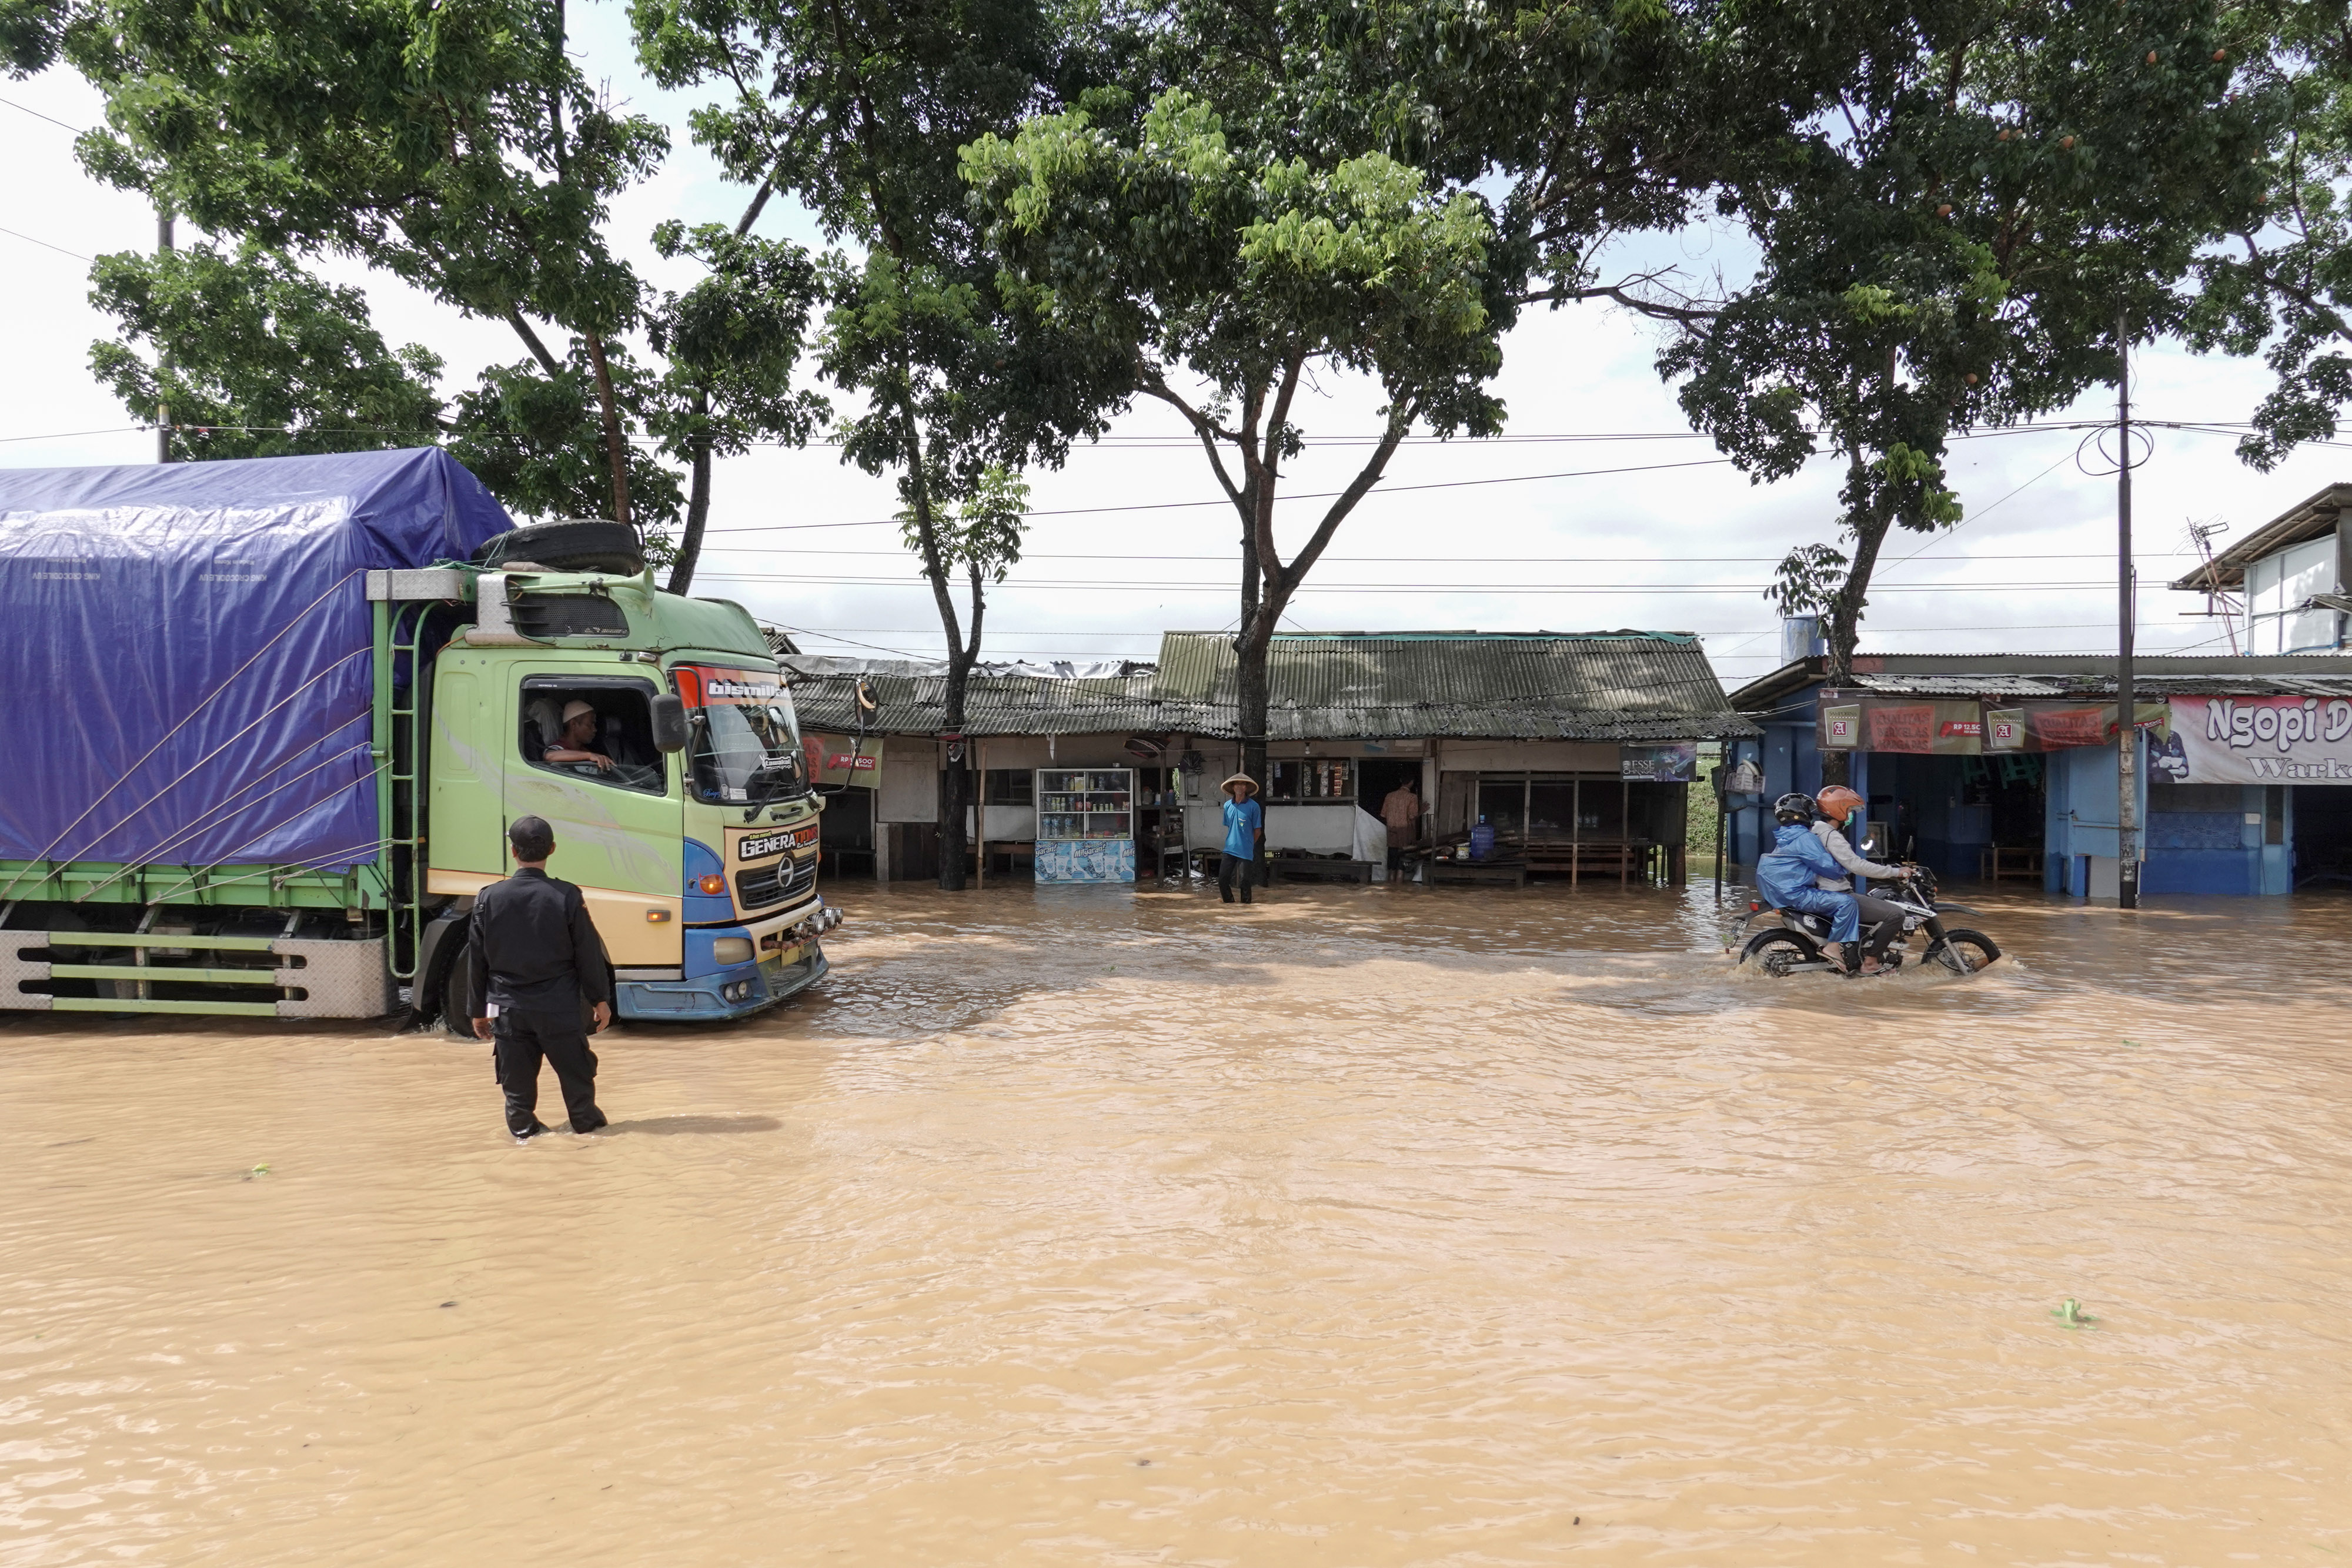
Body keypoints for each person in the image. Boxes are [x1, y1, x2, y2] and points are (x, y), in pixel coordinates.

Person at [467, 815, 613, 1140]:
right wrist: (599, 1001)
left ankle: (529, 1149)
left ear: (513, 851)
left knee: (518, 1106)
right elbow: (587, 954)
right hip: (559, 1010)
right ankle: (590, 1150)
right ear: (552, 849)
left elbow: (478, 963)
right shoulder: (567, 896)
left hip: (509, 1012)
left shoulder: (487, 898)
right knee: (582, 1105)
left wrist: (479, 1011)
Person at [1753, 793, 1865, 974]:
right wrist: (1846, 867)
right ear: (1802, 813)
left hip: (1779, 893)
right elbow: (1828, 868)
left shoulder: (1785, 836)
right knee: (1848, 903)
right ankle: (1833, 947)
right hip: (1796, 895)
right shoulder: (1805, 838)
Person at [1811, 785, 1911, 971]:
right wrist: (1895, 872)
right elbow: (1857, 866)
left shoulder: (1815, 831)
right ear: (1838, 809)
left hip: (1820, 892)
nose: (1850, 815)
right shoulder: (1831, 836)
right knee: (1896, 914)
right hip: (1836, 893)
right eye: (1849, 810)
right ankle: (1871, 963)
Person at [1219, 773, 1263, 904]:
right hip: (1230, 849)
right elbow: (1229, 826)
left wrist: (1249, 844)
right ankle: (1230, 905)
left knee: (1245, 881)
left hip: (1246, 850)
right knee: (1223, 879)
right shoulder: (1227, 806)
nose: (1240, 786)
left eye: (1243, 784)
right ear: (1233, 787)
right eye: (1237, 784)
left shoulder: (1254, 807)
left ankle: (1246, 908)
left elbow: (1258, 831)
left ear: (1246, 788)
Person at [542, 698, 614, 773]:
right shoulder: (559, 747)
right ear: (574, 724)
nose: (594, 729)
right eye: (590, 725)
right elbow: (550, 756)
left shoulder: (583, 751)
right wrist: (589, 755)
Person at [1379, 776, 1422, 873]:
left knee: (1392, 868)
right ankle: (1399, 888)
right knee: (1401, 869)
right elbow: (1412, 818)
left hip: (1392, 836)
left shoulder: (1389, 796)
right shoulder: (1412, 797)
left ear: (1400, 781)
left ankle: (1391, 887)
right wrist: (1414, 836)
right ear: (1412, 782)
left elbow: (1384, 815)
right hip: (1405, 836)